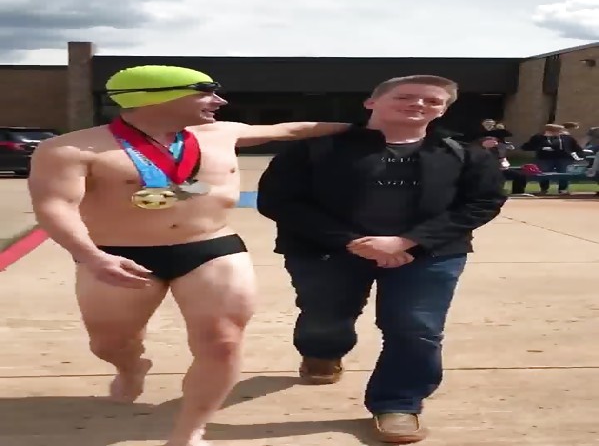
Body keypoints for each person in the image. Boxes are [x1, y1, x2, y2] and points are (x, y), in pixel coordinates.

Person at [27, 65, 350, 446]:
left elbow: (295, 130)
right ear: (157, 97)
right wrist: (93, 257)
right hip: (118, 256)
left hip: (210, 247)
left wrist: (378, 124)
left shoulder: (224, 133)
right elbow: (56, 207)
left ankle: (190, 432)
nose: (219, 101)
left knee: (223, 342)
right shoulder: (70, 149)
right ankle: (131, 366)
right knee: (109, 344)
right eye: (205, 92)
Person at [256, 75, 507, 444]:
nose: (419, 105)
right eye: (406, 97)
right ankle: (323, 351)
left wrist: (408, 241)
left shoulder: (464, 153)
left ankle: (398, 403)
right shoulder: (315, 149)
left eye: (432, 101)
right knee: (326, 317)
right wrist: (352, 241)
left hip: (428, 254)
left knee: (416, 327)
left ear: (443, 110)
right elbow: (278, 201)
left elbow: (483, 202)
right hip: (327, 250)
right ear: (371, 102)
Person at [520, 124, 585, 195]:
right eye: (558, 131)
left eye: (560, 131)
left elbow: (576, 148)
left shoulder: (566, 137)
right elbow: (526, 147)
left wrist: (579, 155)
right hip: (545, 158)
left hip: (563, 158)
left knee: (564, 173)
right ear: (549, 131)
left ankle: (562, 189)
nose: (561, 132)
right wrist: (540, 147)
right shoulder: (538, 137)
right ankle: (544, 189)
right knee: (544, 173)